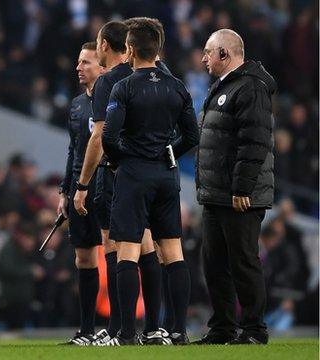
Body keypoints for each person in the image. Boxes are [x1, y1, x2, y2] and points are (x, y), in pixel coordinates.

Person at [100, 20, 199, 346]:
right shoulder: (177, 86)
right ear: (157, 49)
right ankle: (177, 332)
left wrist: (123, 159)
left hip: (134, 175)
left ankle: (128, 335)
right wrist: (168, 152)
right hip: (167, 176)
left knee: (128, 252)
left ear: (129, 50)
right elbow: (192, 135)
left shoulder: (124, 87)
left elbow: (109, 138)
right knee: (172, 252)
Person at [74, 20, 165, 346]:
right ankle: (157, 327)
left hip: (118, 174)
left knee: (117, 248)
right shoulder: (158, 76)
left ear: (104, 46)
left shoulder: (110, 81)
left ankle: (119, 330)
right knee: (150, 247)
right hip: (155, 172)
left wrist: (82, 184)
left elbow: (100, 137)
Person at [195, 29, 276, 345]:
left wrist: (242, 188)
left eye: (208, 52)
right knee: (214, 263)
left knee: (242, 261)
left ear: (224, 54)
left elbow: (254, 141)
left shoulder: (250, 87)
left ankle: (254, 329)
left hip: (240, 194)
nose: (203, 58)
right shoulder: (224, 87)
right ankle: (222, 328)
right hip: (217, 193)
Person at [57, 41, 104, 345]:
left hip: (107, 186)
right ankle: (86, 330)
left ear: (103, 67)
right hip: (78, 191)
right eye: (78, 62)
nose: (79, 68)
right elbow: (74, 150)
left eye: (86, 62)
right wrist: (65, 190)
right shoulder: (76, 105)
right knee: (83, 259)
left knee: (116, 255)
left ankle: (117, 329)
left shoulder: (114, 99)